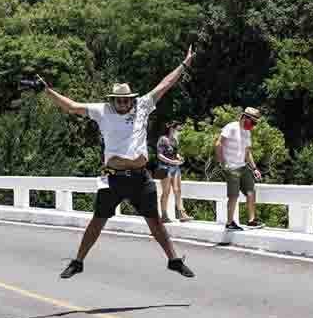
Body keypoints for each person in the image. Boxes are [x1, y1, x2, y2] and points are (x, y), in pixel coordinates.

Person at [37, 47, 197, 280]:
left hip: (141, 177)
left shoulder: (143, 105)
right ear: (113, 100)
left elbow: (165, 84)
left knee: (155, 222)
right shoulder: (102, 111)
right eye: (118, 101)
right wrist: (47, 91)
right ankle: (78, 261)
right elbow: (71, 106)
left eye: (125, 100)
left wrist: (184, 65)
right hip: (113, 177)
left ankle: (173, 260)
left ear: (131, 99)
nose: (122, 104)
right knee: (97, 221)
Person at [215, 108, 264, 232]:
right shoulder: (231, 127)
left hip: (242, 166)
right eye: (252, 122)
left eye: (255, 123)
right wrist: (222, 162)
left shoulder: (247, 133)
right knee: (234, 195)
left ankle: (251, 220)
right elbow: (218, 144)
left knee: (251, 191)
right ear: (245, 118)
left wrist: (254, 168)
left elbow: (247, 153)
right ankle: (230, 222)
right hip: (231, 167)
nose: (253, 125)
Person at [157, 121, 191, 223]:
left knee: (177, 190)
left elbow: (175, 153)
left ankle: (182, 214)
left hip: (175, 168)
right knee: (166, 192)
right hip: (165, 168)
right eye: (178, 129)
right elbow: (159, 155)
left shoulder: (175, 140)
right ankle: (164, 215)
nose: (179, 131)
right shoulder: (163, 139)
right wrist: (171, 161)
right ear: (172, 129)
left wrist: (179, 158)